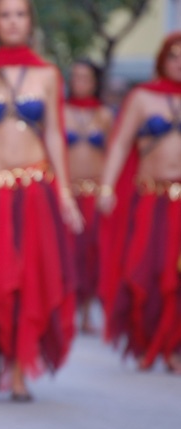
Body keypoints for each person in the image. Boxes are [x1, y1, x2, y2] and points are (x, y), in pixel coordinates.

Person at [0, 0, 82, 401]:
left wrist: (66, 193)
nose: (13, 21)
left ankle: (20, 371)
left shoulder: (47, 75)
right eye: (5, 14)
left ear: (29, 21)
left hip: (34, 187)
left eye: (20, 14)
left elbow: (56, 135)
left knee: (29, 279)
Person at [98, 32, 181, 374]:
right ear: (162, 59)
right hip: (151, 197)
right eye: (174, 56)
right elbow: (119, 145)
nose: (180, 63)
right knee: (146, 271)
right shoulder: (142, 97)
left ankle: (174, 345)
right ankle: (148, 339)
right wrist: (106, 187)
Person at [64, 59, 113, 334]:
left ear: (95, 82)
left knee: (92, 255)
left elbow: (113, 153)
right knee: (69, 254)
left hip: (94, 193)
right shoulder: (61, 111)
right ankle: (69, 310)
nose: (80, 82)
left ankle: (87, 313)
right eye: (76, 77)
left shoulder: (105, 115)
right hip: (69, 194)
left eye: (86, 77)